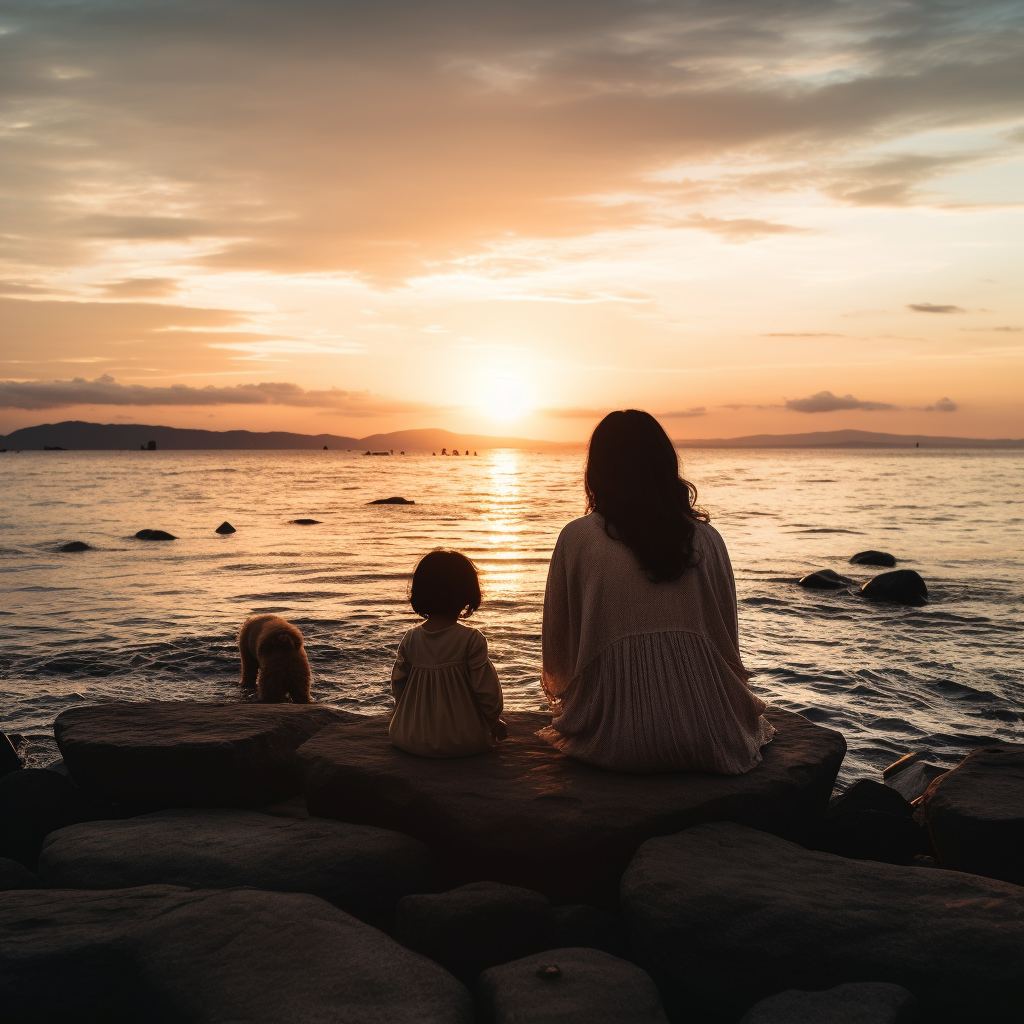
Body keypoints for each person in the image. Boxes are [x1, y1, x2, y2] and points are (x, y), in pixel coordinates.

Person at [539, 409, 775, 774]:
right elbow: (727, 642)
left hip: (614, 741)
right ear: (666, 465)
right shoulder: (708, 539)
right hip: (708, 733)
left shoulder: (576, 537)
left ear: (598, 469)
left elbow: (559, 647)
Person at [390, 549, 507, 757]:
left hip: (409, 738)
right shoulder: (471, 639)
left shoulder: (411, 638)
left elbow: (398, 686)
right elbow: (488, 695)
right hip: (466, 742)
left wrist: (406, 717)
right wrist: (493, 721)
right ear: (467, 595)